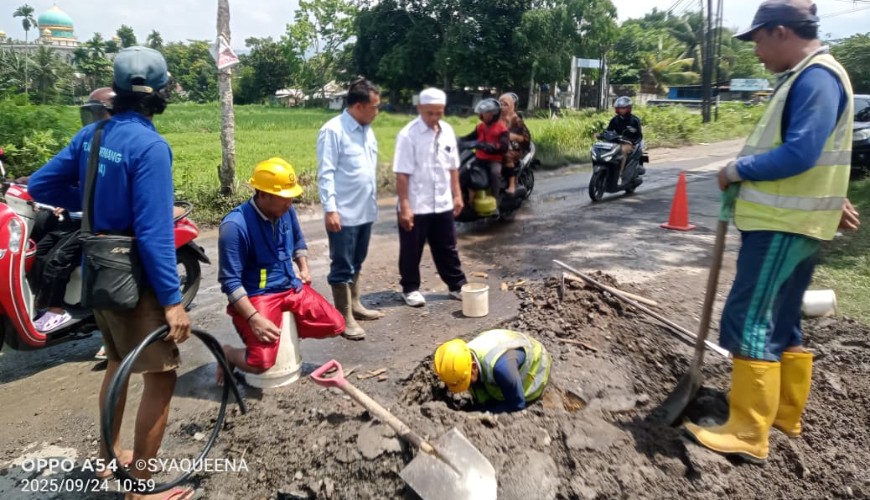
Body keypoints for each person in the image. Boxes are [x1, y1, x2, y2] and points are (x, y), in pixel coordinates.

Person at [684, 0, 860, 464]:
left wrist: (736, 169)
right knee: (783, 320)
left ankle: (748, 430)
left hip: (782, 225)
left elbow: (800, 153)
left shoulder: (816, 77)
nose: (756, 51)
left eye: (759, 39)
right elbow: (819, 156)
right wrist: (832, 196)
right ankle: (783, 413)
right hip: (797, 222)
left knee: (747, 317)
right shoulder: (810, 76)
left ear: (782, 32)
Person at [28, 47, 196, 500]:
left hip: (97, 269)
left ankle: (107, 457)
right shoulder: (150, 146)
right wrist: (173, 301)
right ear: (161, 92)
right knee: (161, 376)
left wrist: (94, 197)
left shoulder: (93, 134)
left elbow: (40, 184)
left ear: (117, 90)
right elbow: (155, 232)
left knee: (119, 362)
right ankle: (141, 487)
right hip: (133, 278)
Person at [217, 158, 347, 383]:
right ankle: (228, 353)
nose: (290, 203)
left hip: (290, 286)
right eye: (285, 197)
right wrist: (254, 318)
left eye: (291, 197)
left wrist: (303, 268)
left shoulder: (285, 211)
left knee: (336, 324)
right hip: (259, 295)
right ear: (263, 194)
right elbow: (230, 282)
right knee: (260, 363)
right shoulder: (235, 227)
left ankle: (282, 335)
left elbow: (297, 241)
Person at [27, 88, 115, 335]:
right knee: (37, 252)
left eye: (97, 113)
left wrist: (78, 200)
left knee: (59, 260)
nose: (92, 120)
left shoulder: (115, 148)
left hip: (95, 224)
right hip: (73, 219)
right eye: (89, 113)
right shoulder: (85, 142)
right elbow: (49, 178)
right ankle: (44, 304)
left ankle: (58, 311)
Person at [317, 78, 383, 340]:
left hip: (365, 209)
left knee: (357, 260)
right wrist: (330, 209)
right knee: (342, 265)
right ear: (358, 106)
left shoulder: (367, 130)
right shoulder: (333, 131)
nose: (377, 112)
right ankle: (343, 317)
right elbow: (326, 172)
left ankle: (354, 304)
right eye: (374, 107)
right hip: (343, 213)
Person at [394, 88, 468, 307]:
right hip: (416, 203)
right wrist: (405, 206)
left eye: (439, 112)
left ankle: (456, 285)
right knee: (411, 249)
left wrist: (457, 195)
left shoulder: (447, 131)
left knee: (448, 246)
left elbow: (453, 167)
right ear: (420, 108)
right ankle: (410, 288)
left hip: (442, 201)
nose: (434, 117)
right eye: (430, 113)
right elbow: (402, 173)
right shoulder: (408, 135)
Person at [433, 329, 552, 413]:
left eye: (466, 382)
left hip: (537, 366)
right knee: (481, 394)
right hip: (507, 355)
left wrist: (485, 412)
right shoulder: (462, 356)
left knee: (499, 403)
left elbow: (517, 404)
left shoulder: (502, 369)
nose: (466, 388)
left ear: (473, 367)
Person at [460, 98, 509, 206]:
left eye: (486, 113)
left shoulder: (502, 128)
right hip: (479, 158)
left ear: (494, 114)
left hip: (494, 160)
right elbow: (469, 137)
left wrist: (488, 146)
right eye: (481, 113)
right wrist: (458, 139)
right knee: (464, 170)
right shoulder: (480, 126)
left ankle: (496, 201)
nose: (482, 115)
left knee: (495, 173)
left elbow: (504, 147)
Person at [598, 96, 643, 182]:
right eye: (619, 108)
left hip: (629, 144)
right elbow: (608, 130)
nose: (621, 110)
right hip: (616, 142)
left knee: (622, 150)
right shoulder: (615, 120)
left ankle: (620, 174)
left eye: (623, 108)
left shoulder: (634, 120)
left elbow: (639, 135)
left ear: (628, 108)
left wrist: (631, 141)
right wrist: (601, 135)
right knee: (606, 149)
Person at [498, 92, 531, 195]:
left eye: (506, 104)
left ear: (513, 106)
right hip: (499, 145)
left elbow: (526, 138)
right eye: (500, 104)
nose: (502, 107)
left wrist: (514, 136)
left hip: (515, 148)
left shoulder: (516, 120)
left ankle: (512, 184)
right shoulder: (495, 118)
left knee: (507, 156)